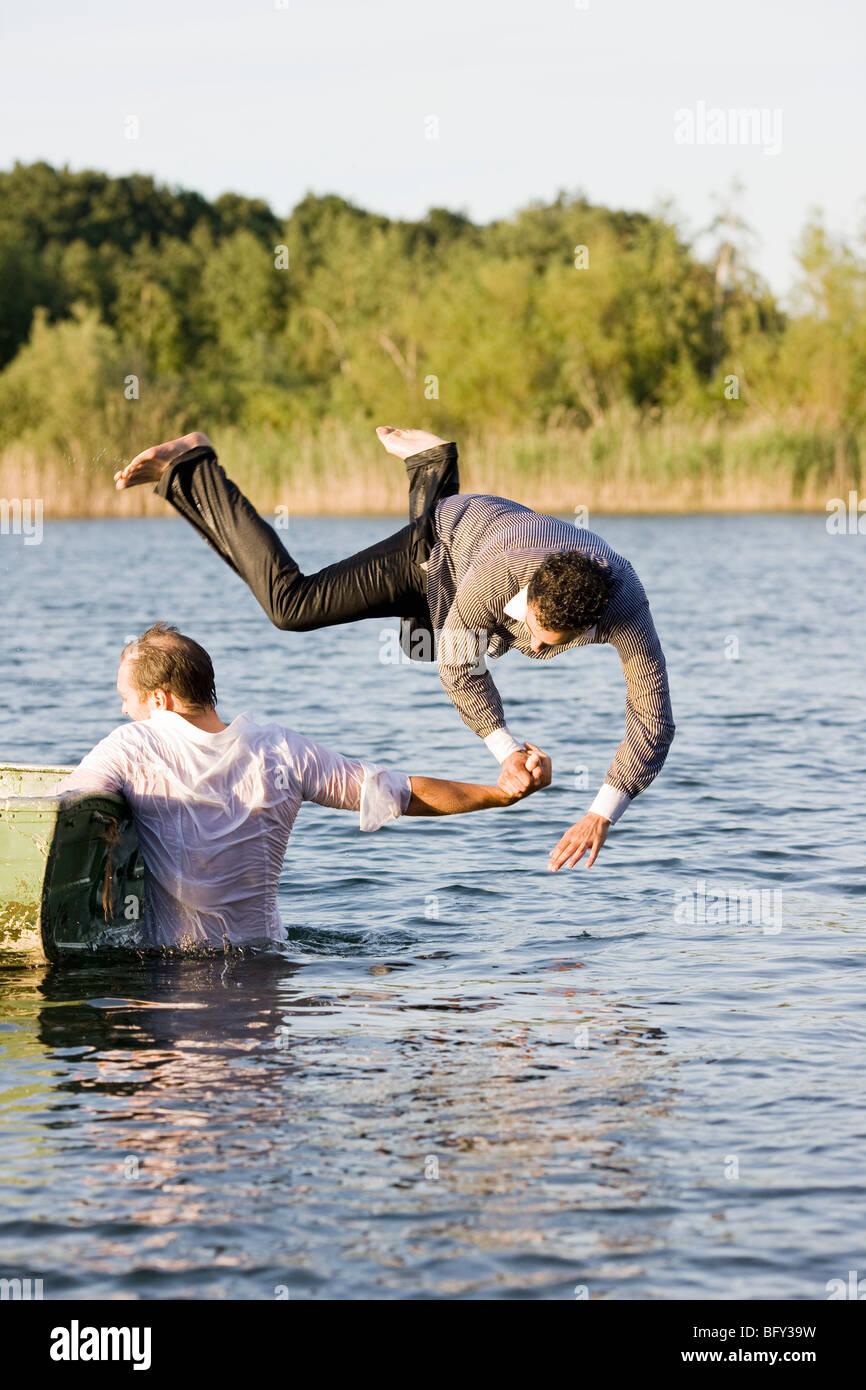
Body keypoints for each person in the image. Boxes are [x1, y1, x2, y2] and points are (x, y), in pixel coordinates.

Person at [114, 426, 675, 872]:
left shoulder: (626, 603)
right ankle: (196, 463)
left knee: (415, 643)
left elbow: (653, 719)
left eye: (550, 645)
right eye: (531, 631)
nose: (531, 648)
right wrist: (506, 752)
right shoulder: (493, 579)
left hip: (492, 542)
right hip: (443, 545)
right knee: (293, 606)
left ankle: (431, 467)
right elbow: (460, 673)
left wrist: (601, 815)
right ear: (527, 598)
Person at [55, 623, 551, 950]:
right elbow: (395, 791)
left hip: (179, 971)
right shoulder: (281, 750)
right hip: (269, 960)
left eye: (128, 698)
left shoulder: (132, 746)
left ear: (160, 699)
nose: (125, 709)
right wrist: (500, 792)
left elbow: (61, 813)